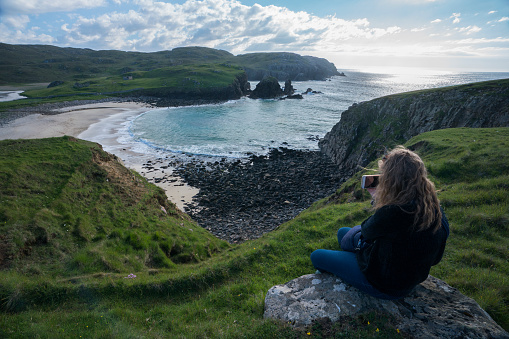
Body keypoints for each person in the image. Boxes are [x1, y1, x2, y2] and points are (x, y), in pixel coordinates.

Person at [310, 146, 449, 300]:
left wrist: (378, 199)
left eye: (384, 175)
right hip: (408, 279)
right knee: (343, 231)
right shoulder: (435, 209)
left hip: (384, 284)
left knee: (317, 256)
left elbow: (367, 231)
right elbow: (436, 259)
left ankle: (341, 275)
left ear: (391, 180)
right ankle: (348, 262)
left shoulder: (394, 211)